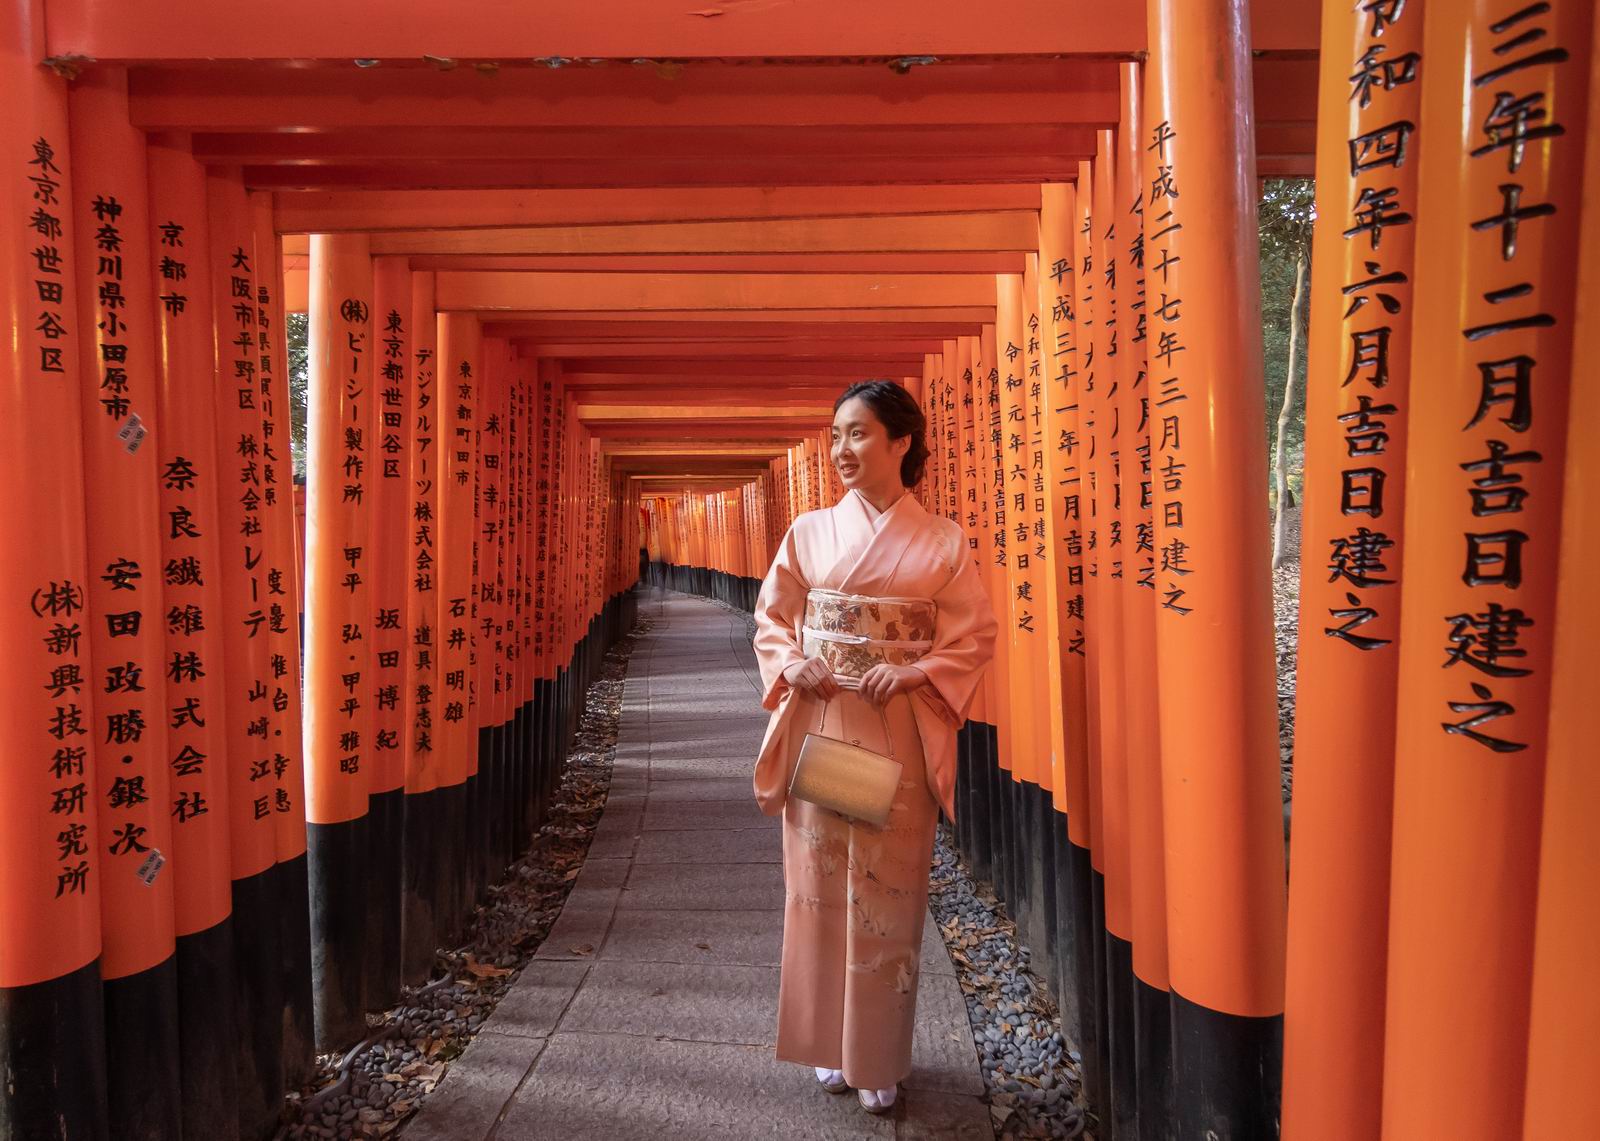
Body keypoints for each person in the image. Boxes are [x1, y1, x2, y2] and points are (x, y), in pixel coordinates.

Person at [751, 379, 998, 1115]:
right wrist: (791, 661)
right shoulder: (809, 532)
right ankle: (830, 1044)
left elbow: (973, 635)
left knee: (887, 894)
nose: (841, 450)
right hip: (828, 725)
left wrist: (919, 667)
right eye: (835, 436)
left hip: (897, 726)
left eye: (857, 434)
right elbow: (774, 617)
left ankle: (879, 1054)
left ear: (901, 441)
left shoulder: (945, 542)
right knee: (822, 888)